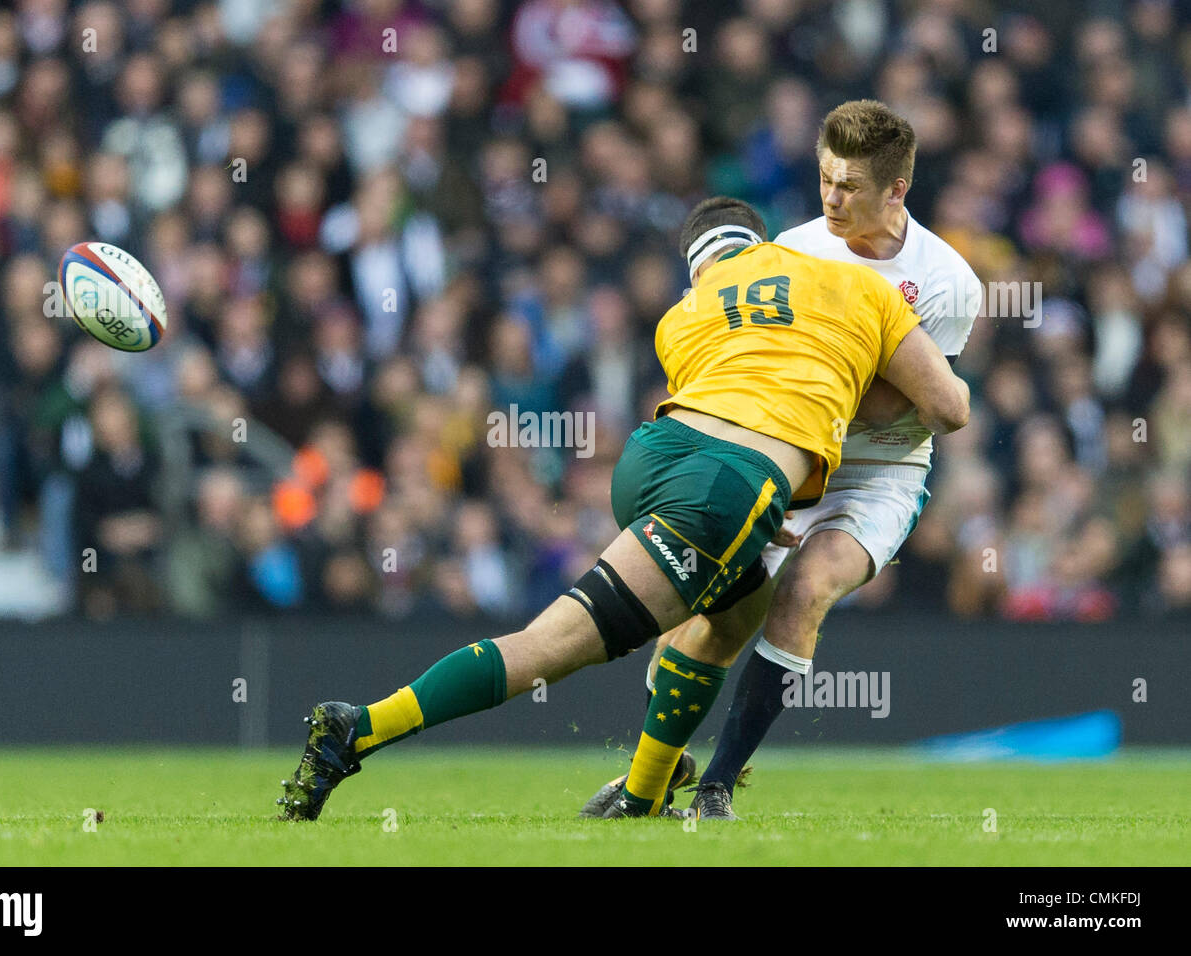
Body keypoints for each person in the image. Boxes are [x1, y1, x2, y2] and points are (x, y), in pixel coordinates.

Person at [276, 193, 969, 821]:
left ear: (699, 269)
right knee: (552, 646)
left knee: (737, 611)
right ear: (766, 244)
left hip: (652, 458)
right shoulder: (847, 281)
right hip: (732, 483)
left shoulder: (683, 317)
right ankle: (360, 727)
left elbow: (735, 395)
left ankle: (645, 791)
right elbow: (944, 406)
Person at [579, 100, 985, 821]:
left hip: (878, 472)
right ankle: (657, 772)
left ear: (898, 191)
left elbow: (921, 406)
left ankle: (717, 788)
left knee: (803, 593)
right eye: (825, 178)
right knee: (701, 615)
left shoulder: (948, 280)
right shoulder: (791, 251)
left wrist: (809, 397)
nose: (831, 197)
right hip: (786, 453)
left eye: (850, 186)